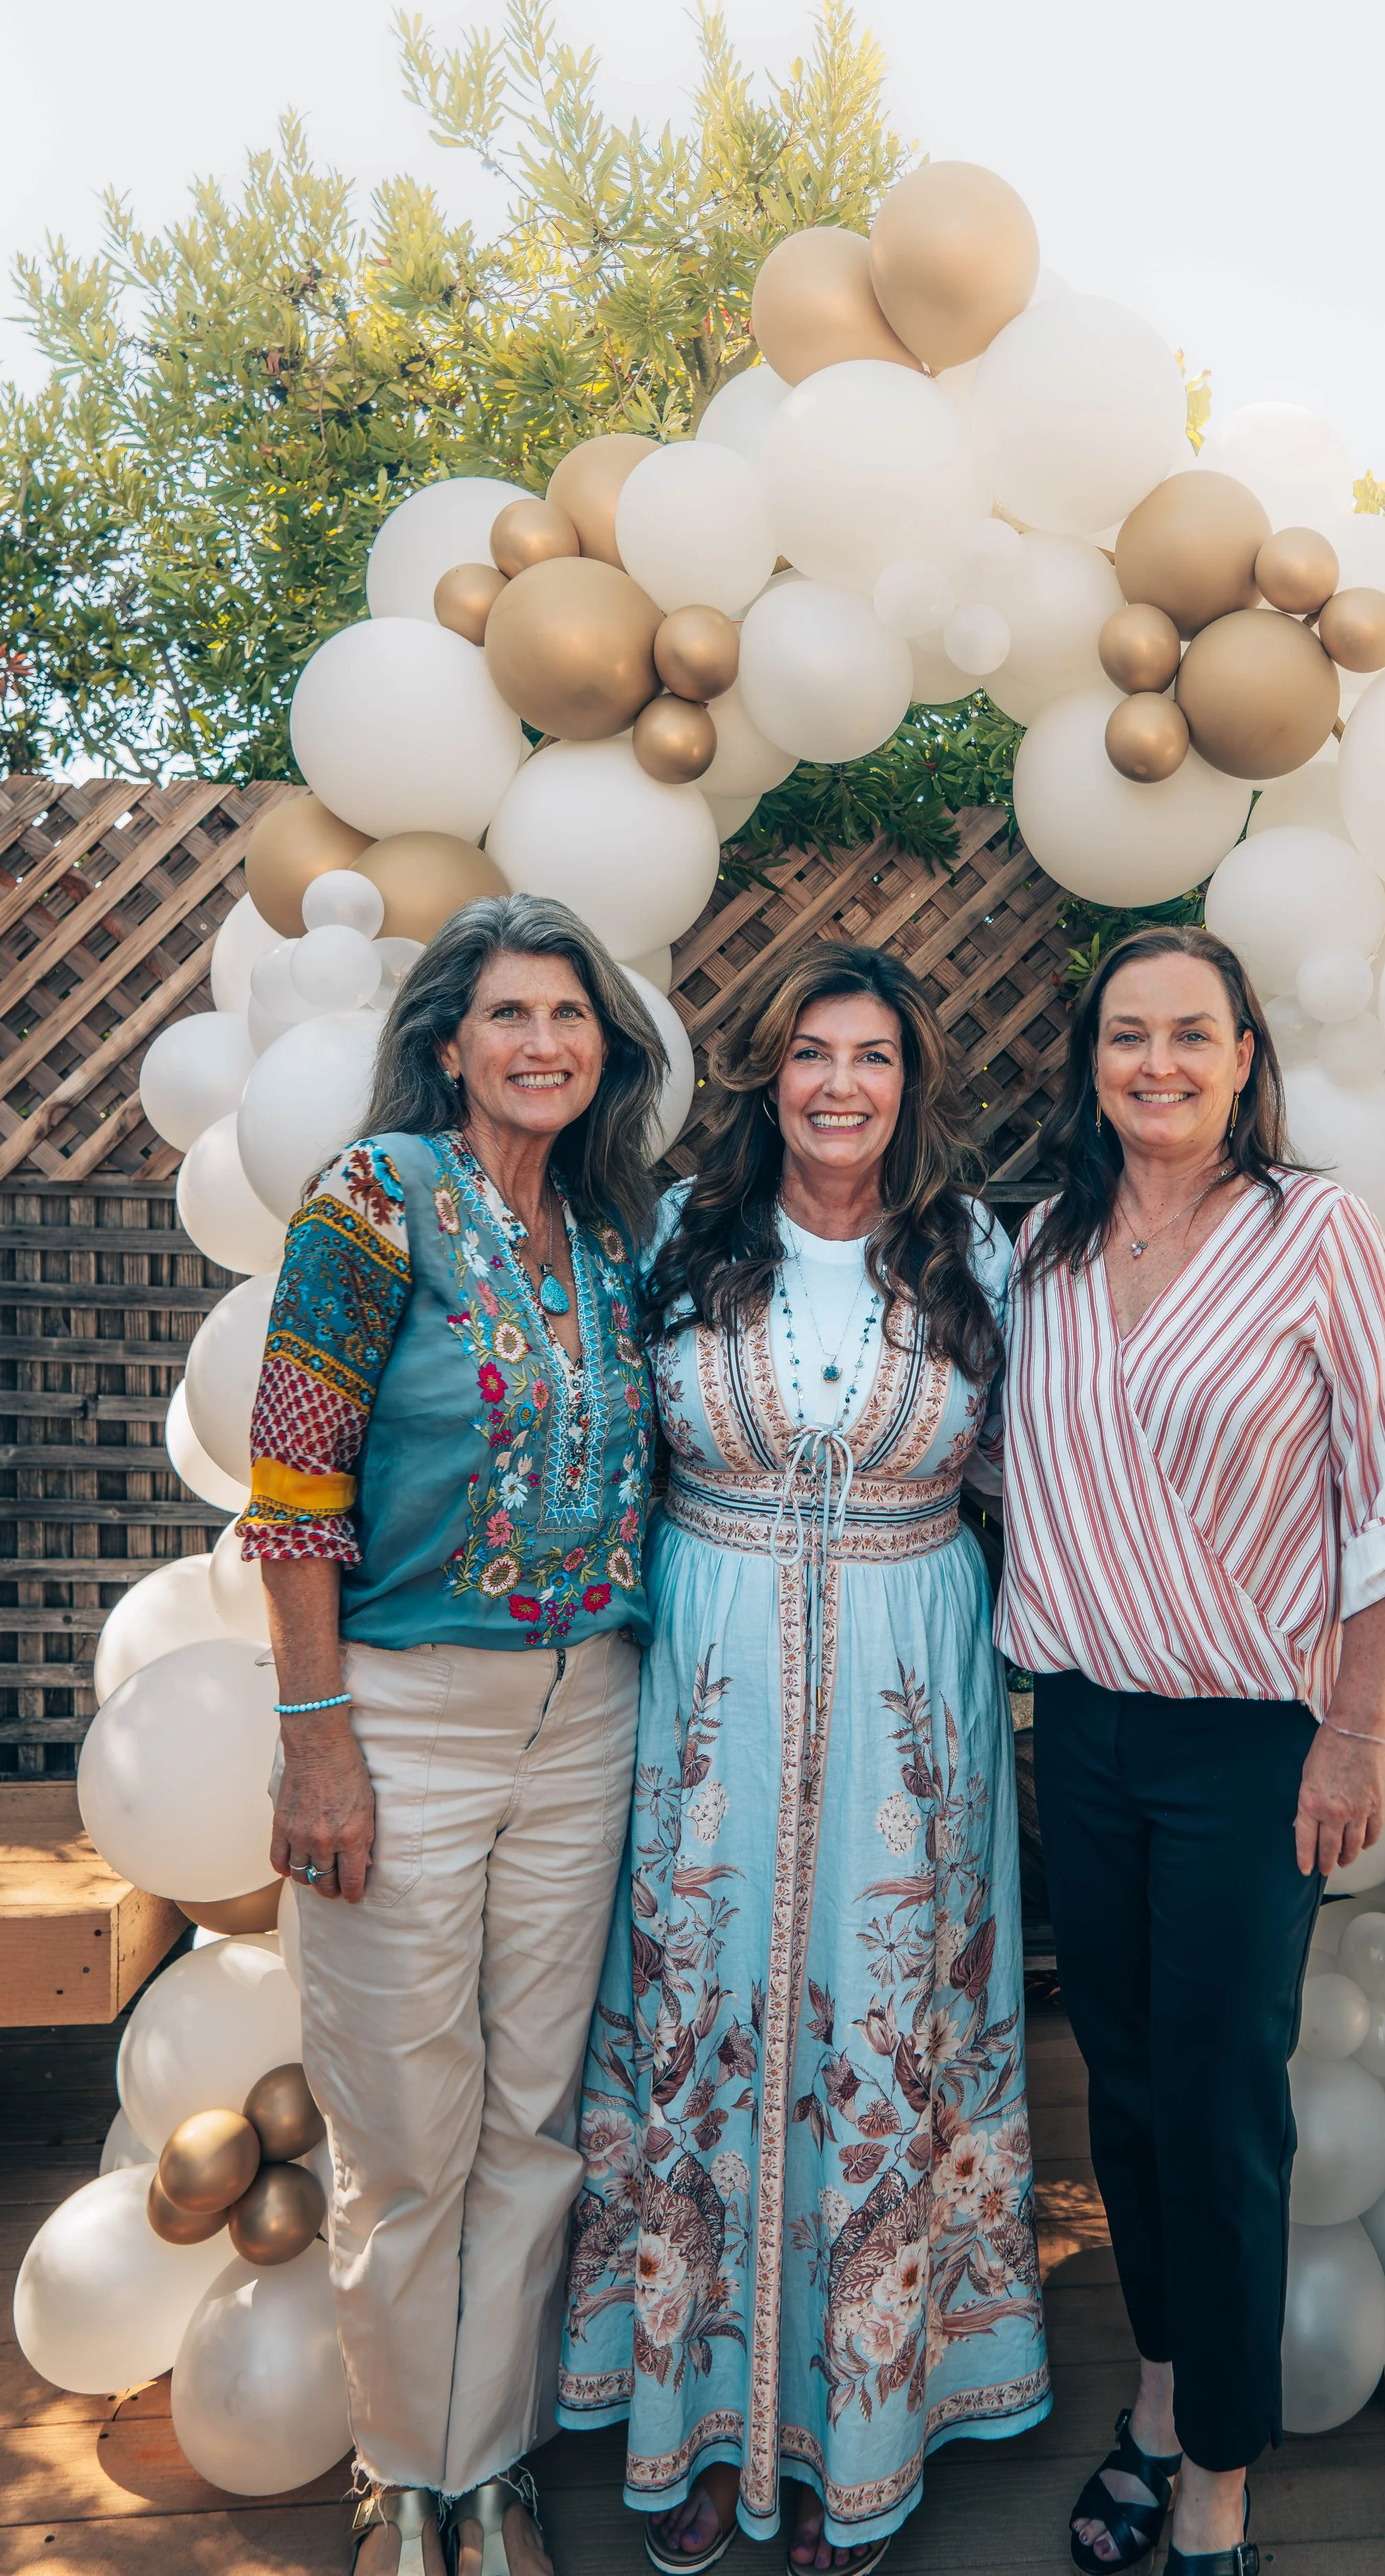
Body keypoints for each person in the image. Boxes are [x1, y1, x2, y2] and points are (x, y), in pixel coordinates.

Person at [558, 945, 1050, 2576]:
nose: (841, 1085)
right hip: (711, 1697)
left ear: (912, 1084)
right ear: (771, 1079)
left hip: (913, 1716)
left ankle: (861, 2436)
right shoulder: (678, 1239)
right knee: (708, 2021)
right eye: (812, 1055)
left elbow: (1056, 1475)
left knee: (881, 2033)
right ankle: (702, 2428)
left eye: (875, 1058)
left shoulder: (976, 1252)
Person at [998, 925, 1385, 2576]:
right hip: (1087, 1733)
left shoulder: (1313, 1231)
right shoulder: (1038, 1245)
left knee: (1219, 2110)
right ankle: (1161, 2395)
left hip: (1254, 1746)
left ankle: (1218, 2482)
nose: (1158, 1065)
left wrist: (1349, 1734)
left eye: (1192, 1035)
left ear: (1245, 1054)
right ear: (1092, 1060)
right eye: (1127, 1036)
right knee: (1118, 2097)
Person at [238, 894, 667, 2576]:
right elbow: (289, 1489)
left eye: (570, 1016)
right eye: (508, 1016)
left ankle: (486, 2466)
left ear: (603, 1049)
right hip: (399, 1715)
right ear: (445, 1041)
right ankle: (396, 2472)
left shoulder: (616, 1236)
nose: (542, 1044)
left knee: (532, 2119)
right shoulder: (371, 1203)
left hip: (587, 1718)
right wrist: (315, 1733)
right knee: (405, 2125)